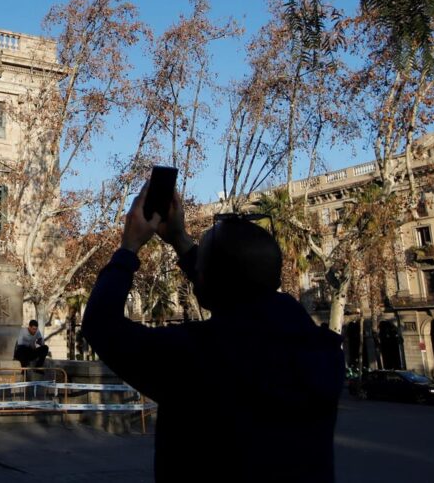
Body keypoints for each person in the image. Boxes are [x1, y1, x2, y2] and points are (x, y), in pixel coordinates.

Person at [81, 187, 344, 482]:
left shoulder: (195, 355)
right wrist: (182, 241)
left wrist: (128, 248)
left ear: (204, 279)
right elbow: (240, 286)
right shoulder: (325, 351)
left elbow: (100, 324)